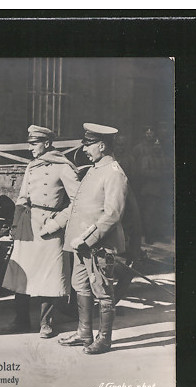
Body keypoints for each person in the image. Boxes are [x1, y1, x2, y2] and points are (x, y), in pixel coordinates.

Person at [0, 125, 81, 338]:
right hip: (29, 225)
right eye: (30, 144)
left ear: (46, 143)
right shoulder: (32, 167)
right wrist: (16, 225)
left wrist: (57, 223)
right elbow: (22, 197)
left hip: (50, 226)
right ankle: (21, 320)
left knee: (49, 276)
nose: (30, 148)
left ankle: (46, 323)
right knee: (21, 273)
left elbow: (77, 201)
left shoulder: (63, 166)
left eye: (34, 144)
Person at [59, 123, 128, 355]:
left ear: (102, 145)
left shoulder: (114, 173)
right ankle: (84, 333)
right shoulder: (95, 169)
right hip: (81, 244)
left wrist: (88, 239)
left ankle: (104, 339)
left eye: (89, 145)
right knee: (81, 286)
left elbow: (113, 214)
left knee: (103, 291)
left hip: (98, 245)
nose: (85, 149)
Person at [131, 125, 171, 243]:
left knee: (159, 212)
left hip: (161, 188)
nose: (149, 135)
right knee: (147, 211)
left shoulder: (163, 155)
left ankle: (157, 233)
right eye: (147, 133)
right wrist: (158, 174)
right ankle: (147, 234)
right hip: (146, 185)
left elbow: (169, 168)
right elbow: (140, 169)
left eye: (151, 133)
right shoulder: (140, 150)